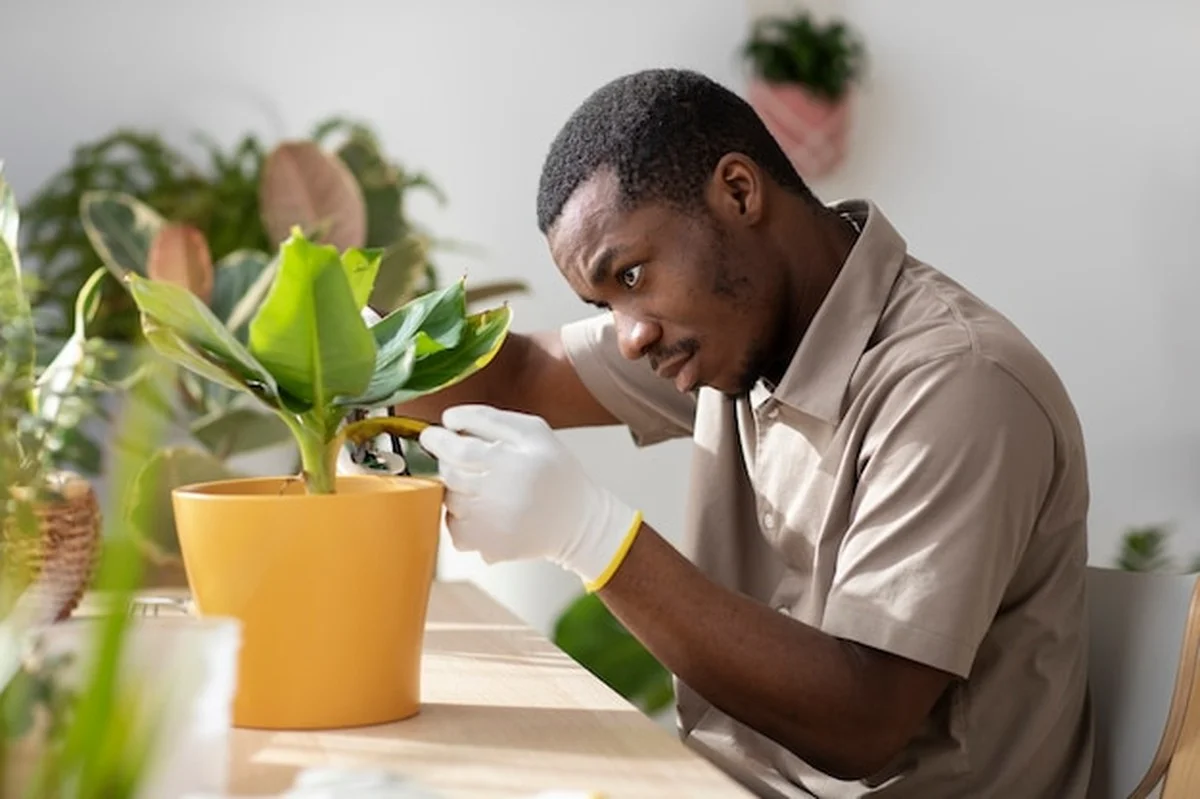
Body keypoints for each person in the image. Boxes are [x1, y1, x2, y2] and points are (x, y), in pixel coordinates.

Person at [400, 68, 1095, 798]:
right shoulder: (730, 332)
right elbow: (512, 377)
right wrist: (350, 362)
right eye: (603, 301)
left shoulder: (958, 383)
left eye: (630, 276)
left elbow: (860, 720)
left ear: (738, 192)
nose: (628, 336)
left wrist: (593, 538)